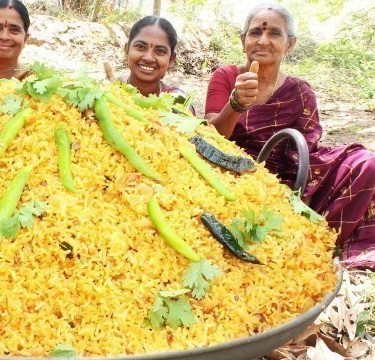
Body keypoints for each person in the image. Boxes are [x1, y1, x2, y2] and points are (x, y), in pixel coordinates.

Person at [204, 3, 375, 268]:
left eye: (274, 33)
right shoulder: (226, 77)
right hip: (231, 177)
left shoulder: (299, 92)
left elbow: (304, 152)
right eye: (255, 33)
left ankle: (324, 243)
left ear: (290, 44)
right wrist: (236, 104)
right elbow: (210, 139)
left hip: (287, 182)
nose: (263, 41)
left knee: (366, 164)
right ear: (243, 41)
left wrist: (292, 194)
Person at [106, 16, 196, 116]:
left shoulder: (179, 102)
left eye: (160, 51)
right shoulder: (107, 94)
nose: (148, 58)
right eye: (140, 47)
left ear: (171, 59)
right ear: (127, 49)